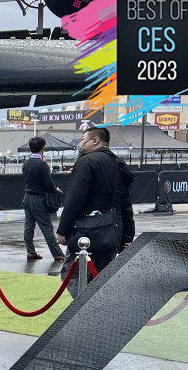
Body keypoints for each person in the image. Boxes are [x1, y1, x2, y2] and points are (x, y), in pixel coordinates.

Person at [57, 127, 135, 296]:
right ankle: (97, 310)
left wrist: (62, 229)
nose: (81, 143)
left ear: (95, 140)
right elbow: (125, 203)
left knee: (72, 276)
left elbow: (75, 198)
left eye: (83, 139)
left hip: (85, 232)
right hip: (112, 232)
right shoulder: (119, 164)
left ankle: (84, 310)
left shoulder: (86, 162)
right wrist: (128, 235)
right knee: (100, 281)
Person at [20, 136, 63, 262]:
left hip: (27, 198)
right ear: (43, 148)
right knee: (47, 227)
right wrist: (56, 190)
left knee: (28, 226)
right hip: (38, 199)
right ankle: (58, 254)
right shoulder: (42, 164)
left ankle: (30, 251)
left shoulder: (26, 163)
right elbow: (48, 183)